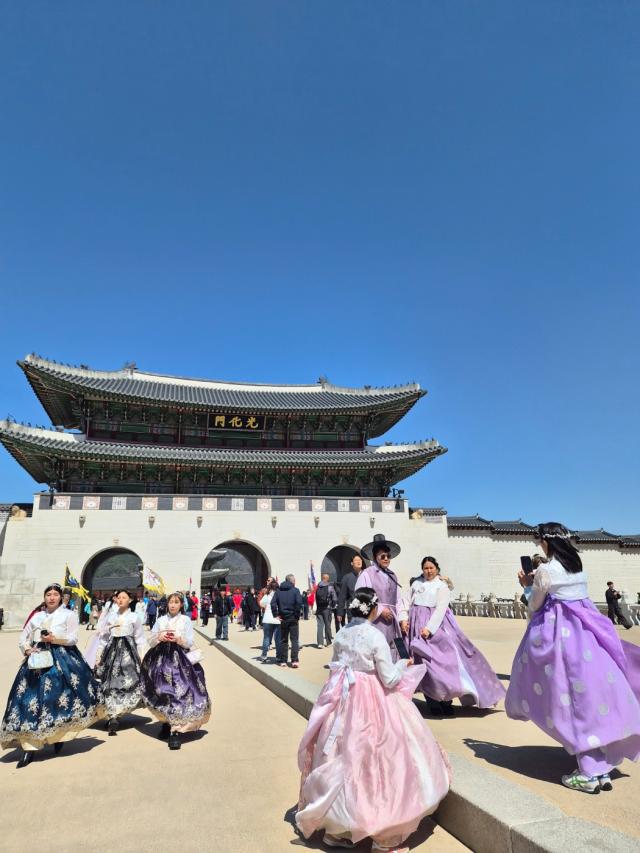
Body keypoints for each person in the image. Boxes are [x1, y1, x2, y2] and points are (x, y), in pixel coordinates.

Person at [295, 588, 450, 852]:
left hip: (344, 698)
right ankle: (383, 832)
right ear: (374, 609)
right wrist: (403, 665)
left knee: (341, 754)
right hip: (373, 700)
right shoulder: (375, 635)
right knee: (381, 756)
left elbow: (336, 665)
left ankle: (339, 829)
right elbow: (388, 678)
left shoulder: (342, 633)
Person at [505, 522, 640, 793]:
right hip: (587, 635)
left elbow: (535, 605)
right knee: (590, 699)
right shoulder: (577, 567)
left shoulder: (546, 570)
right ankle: (599, 767)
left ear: (547, 542)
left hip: (560, 639)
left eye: (540, 541)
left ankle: (589, 772)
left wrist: (526, 586)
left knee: (569, 704)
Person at [0, 582, 105, 767]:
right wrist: (26, 649)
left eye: (55, 594)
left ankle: (58, 735)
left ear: (61, 597)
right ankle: (29, 746)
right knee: (28, 699)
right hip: (37, 660)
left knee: (58, 698)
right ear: (44, 597)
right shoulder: (37, 616)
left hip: (62, 658)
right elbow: (23, 638)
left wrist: (54, 638)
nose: (51, 597)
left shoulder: (68, 615)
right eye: (48, 594)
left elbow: (73, 638)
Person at [407, 556, 505, 716]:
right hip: (416, 627)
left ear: (437, 569)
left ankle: (446, 700)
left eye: (431, 568)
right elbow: (407, 601)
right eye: (425, 568)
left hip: (437, 630)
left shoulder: (441, 586)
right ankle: (432, 702)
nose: (428, 571)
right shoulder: (416, 584)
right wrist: (404, 618)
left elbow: (440, 609)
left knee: (443, 665)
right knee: (425, 666)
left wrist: (429, 629)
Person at [141, 591, 211, 750]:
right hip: (161, 660)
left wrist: (179, 639)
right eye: (170, 602)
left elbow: (190, 641)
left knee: (179, 693)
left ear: (181, 605)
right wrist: (160, 638)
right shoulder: (160, 620)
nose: (172, 605)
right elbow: (151, 640)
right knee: (163, 692)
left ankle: (175, 731)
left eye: (176, 602)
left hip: (180, 660)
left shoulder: (186, 620)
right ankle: (166, 721)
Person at [93, 589, 146, 735]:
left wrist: (141, 656)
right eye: (119, 598)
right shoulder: (110, 616)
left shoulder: (135, 617)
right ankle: (112, 715)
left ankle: (120, 710)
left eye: (124, 597)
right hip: (111, 652)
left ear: (130, 600)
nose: (121, 600)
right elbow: (104, 638)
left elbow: (140, 638)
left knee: (127, 681)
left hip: (128, 653)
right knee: (109, 682)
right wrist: (98, 656)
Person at [356, 533, 407, 661]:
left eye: (388, 556)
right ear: (375, 557)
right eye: (382, 556)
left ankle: (391, 677)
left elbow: (398, 600)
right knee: (377, 650)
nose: (386, 559)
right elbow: (361, 597)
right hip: (375, 621)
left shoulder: (393, 575)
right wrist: (380, 610)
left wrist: (402, 618)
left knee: (393, 649)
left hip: (392, 621)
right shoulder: (367, 574)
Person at [271, 574, 303, 668]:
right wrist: (297, 615)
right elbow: (299, 603)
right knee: (294, 640)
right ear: (292, 581)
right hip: (293, 617)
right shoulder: (295, 590)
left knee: (284, 640)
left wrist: (276, 614)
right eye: (294, 580)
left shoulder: (278, 591)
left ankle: (283, 660)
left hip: (283, 618)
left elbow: (273, 603)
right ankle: (294, 660)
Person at [337, 553, 366, 626]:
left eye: (360, 560)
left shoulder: (367, 575)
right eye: (356, 560)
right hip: (353, 612)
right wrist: (340, 613)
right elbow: (342, 596)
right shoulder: (347, 578)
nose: (359, 561)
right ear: (352, 563)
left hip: (366, 611)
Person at [259, 580, 281, 663]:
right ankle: (278, 656)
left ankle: (264, 655)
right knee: (278, 639)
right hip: (277, 620)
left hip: (267, 619)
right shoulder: (280, 595)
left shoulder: (267, 595)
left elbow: (261, 604)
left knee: (266, 638)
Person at [314, 573, 338, 649]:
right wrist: (333, 605)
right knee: (327, 625)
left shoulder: (318, 587)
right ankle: (328, 642)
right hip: (327, 608)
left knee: (320, 625)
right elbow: (334, 598)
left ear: (322, 578)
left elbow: (316, 598)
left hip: (319, 608)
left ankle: (320, 643)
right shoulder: (330, 587)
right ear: (327, 578)